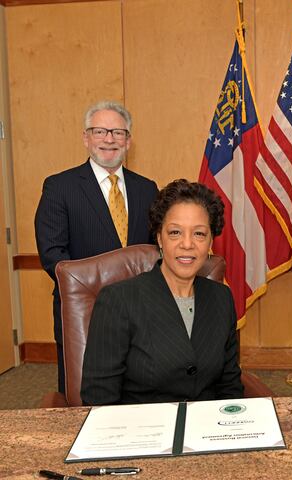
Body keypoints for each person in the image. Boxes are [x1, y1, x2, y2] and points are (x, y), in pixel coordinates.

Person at [80, 179, 243, 405]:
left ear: (210, 242)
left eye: (199, 234)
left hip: (207, 432)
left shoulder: (221, 298)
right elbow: (99, 399)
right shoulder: (118, 301)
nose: (187, 244)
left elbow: (230, 386)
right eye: (175, 232)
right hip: (142, 434)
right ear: (159, 238)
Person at [34, 100, 158, 393]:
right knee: (84, 393)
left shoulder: (147, 188)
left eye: (117, 132)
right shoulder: (59, 187)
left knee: (141, 387)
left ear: (128, 140)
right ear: (86, 138)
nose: (109, 139)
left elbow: (156, 248)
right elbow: (53, 255)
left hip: (142, 310)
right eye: (100, 131)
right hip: (85, 310)